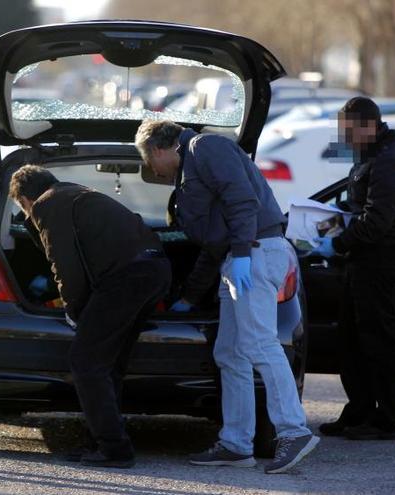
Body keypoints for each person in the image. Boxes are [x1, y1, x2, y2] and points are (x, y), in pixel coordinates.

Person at [135, 120, 319, 475]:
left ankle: (294, 432)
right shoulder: (192, 166)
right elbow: (213, 243)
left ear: (158, 150)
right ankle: (236, 443)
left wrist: (245, 253)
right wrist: (189, 297)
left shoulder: (204, 148)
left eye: (149, 162)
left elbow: (241, 199)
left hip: (256, 251)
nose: (152, 171)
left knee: (260, 344)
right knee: (230, 352)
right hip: (239, 258)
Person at [8, 165, 171, 469]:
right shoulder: (77, 194)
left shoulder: (46, 204)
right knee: (109, 365)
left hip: (126, 279)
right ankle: (105, 440)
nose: (28, 216)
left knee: (86, 363)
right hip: (155, 271)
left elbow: (64, 264)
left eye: (24, 210)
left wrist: (74, 310)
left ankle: (115, 449)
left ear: (26, 199)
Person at [311, 96, 395, 441]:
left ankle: (385, 420)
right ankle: (359, 410)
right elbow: (361, 207)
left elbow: (376, 222)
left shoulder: (389, 161)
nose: (344, 138)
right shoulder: (373, 155)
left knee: (377, 340)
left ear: (368, 126)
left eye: (348, 131)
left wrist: (338, 243)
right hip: (364, 259)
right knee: (352, 340)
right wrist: (331, 220)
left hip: (382, 259)